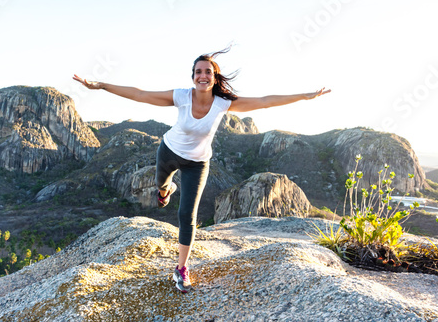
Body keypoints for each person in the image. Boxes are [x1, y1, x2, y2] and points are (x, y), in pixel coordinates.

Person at [73, 47, 331, 293]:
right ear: (193, 77)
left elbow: (264, 101)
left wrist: (305, 96)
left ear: (214, 77)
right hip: (168, 153)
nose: (203, 76)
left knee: (188, 215)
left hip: (197, 164)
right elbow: (141, 94)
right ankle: (166, 189)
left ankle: (182, 268)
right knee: (161, 187)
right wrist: (101, 85)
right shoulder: (181, 96)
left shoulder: (223, 103)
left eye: (208, 71)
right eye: (198, 71)